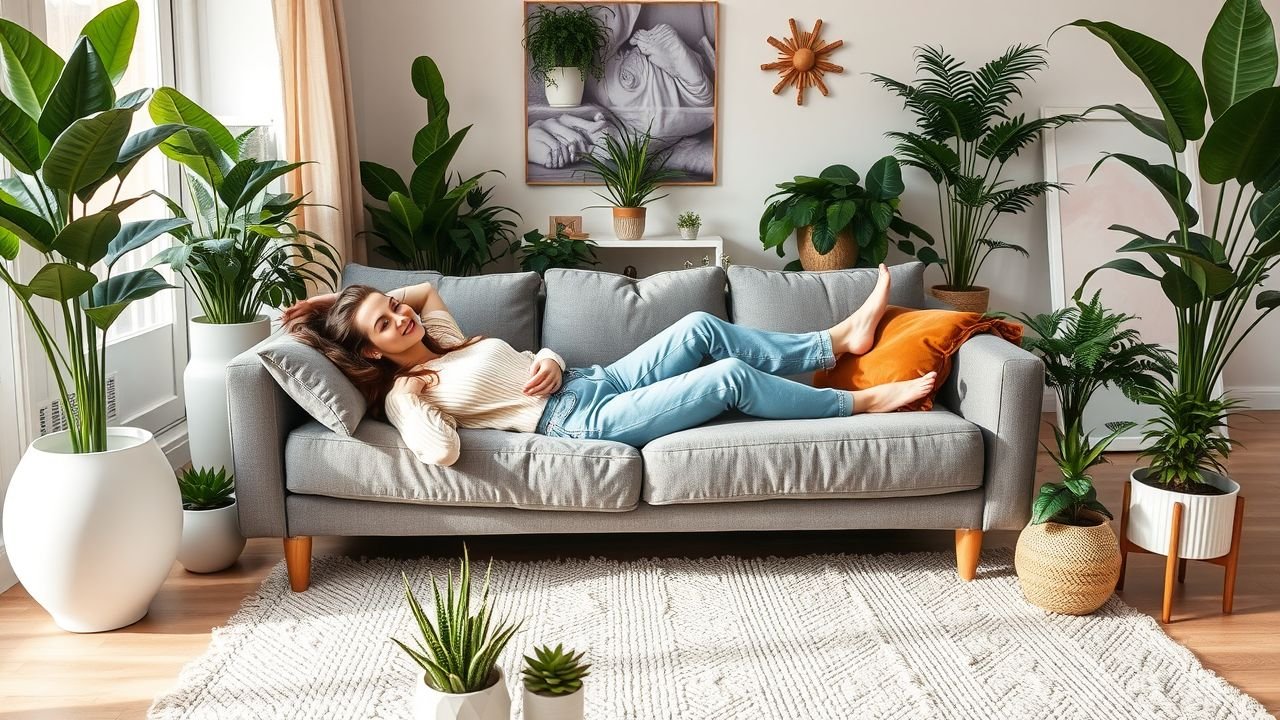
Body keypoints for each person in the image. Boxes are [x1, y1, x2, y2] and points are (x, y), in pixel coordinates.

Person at [282, 265, 937, 467]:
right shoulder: (410, 389)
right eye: (383, 324)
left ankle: (835, 343)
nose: (402, 316)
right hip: (578, 419)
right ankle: (862, 402)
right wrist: (406, 400)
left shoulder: (441, 341)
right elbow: (440, 451)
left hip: (592, 379)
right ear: (372, 351)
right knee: (727, 379)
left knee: (701, 327)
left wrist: (546, 354)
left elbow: (421, 292)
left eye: (392, 306)